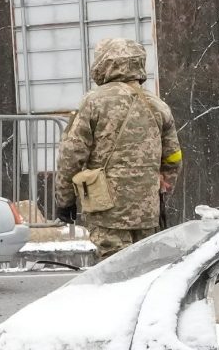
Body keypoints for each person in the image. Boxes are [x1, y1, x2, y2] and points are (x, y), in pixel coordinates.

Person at [54, 36, 182, 261]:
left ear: (104, 63)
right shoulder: (157, 105)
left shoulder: (93, 102)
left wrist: (64, 200)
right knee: (144, 273)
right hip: (147, 214)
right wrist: (160, 189)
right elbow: (173, 157)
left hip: (107, 212)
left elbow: (71, 155)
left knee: (114, 275)